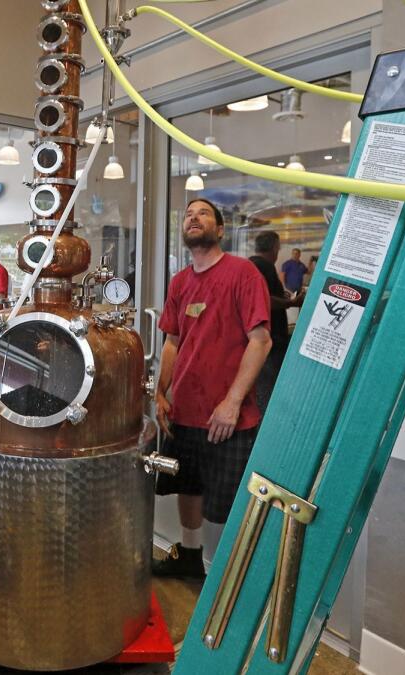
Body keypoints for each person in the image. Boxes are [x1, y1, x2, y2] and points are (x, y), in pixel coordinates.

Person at [153, 198, 273, 578]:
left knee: (225, 501)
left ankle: (224, 574)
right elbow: (172, 341)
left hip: (228, 416)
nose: (193, 217)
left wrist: (232, 403)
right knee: (187, 486)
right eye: (188, 213)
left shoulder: (242, 273)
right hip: (184, 409)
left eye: (203, 213)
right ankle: (190, 557)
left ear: (220, 230)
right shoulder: (180, 282)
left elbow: (261, 341)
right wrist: (160, 392)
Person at [249, 231, 305, 408]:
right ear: (274, 247)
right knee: (267, 394)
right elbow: (264, 300)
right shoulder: (264, 266)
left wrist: (282, 296)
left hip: (263, 341)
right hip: (269, 343)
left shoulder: (250, 265)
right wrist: (291, 302)